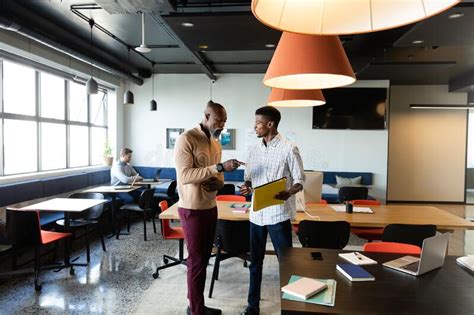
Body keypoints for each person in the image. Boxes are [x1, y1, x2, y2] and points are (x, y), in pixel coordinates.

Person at [175, 101, 242, 315]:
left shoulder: (216, 143)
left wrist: (220, 181)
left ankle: (196, 304)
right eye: (218, 119)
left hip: (211, 206)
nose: (222, 124)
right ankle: (196, 310)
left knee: (203, 259)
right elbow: (185, 176)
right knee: (196, 261)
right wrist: (219, 167)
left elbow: (218, 177)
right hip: (192, 209)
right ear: (206, 116)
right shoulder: (186, 138)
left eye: (225, 120)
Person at [240, 106, 305, 315]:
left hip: (278, 214)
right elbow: (248, 178)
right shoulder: (253, 149)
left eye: (258, 123)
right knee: (255, 264)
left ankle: (291, 308)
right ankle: (252, 307)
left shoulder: (289, 148)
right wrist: (247, 186)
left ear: (270, 124)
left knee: (286, 265)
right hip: (256, 214)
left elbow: (300, 180)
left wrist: (289, 192)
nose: (254, 126)